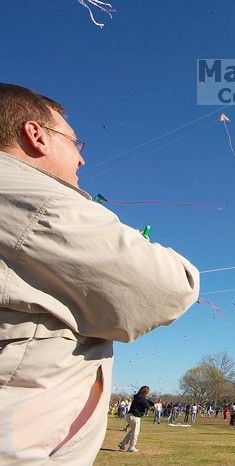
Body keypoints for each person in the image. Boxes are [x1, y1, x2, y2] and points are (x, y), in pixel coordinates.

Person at [0, 83, 199, 464]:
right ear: (36, 135)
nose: (82, 159)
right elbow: (171, 287)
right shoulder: (38, 202)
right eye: (76, 143)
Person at [118, 386, 155, 453]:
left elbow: (149, 402)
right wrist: (150, 404)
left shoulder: (139, 397)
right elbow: (148, 406)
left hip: (130, 415)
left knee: (132, 431)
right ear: (145, 392)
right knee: (135, 432)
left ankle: (122, 443)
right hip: (135, 416)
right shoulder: (141, 398)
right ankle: (131, 447)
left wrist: (152, 402)